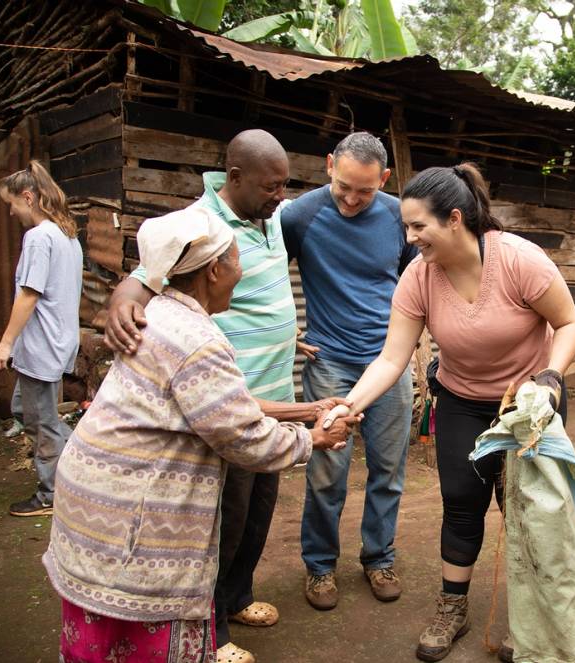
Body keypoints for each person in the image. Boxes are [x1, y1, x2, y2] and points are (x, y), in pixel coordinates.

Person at [44, 206, 359, 663]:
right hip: (131, 521)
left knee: (99, 642)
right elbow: (244, 437)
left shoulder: (159, 312)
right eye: (235, 261)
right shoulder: (198, 341)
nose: (241, 272)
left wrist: (308, 408)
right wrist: (315, 438)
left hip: (95, 505)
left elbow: (216, 407)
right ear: (214, 270)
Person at [320, 163, 575, 662]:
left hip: (529, 402)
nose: (410, 237)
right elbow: (392, 357)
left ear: (455, 219)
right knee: (461, 500)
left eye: (419, 226)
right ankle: (452, 607)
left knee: (527, 510)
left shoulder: (519, 260)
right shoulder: (419, 276)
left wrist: (551, 376)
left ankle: (537, 619)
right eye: (406, 227)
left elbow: (568, 322)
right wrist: (349, 406)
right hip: (462, 398)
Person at [104, 129, 338, 663]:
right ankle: (211, 634)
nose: (281, 195)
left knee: (257, 514)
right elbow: (146, 274)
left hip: (275, 392)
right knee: (222, 524)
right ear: (234, 178)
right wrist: (123, 296)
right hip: (225, 405)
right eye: (271, 185)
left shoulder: (268, 215)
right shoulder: (200, 225)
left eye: (284, 185)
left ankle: (238, 598)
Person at [280, 131, 417, 610]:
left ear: (384, 179)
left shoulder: (401, 216)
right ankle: (320, 568)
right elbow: (263, 272)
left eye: (366, 190)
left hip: (390, 364)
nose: (353, 199)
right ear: (328, 165)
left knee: (388, 468)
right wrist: (286, 332)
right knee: (326, 471)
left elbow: (417, 280)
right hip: (330, 365)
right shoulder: (298, 215)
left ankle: (379, 558)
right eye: (344, 186)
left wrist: (414, 341)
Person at [0, 161, 83, 518]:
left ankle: (52, 494)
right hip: (56, 341)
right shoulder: (66, 234)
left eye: (11, 204)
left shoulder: (39, 236)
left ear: (27, 197)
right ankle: (78, 456)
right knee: (25, 411)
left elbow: (29, 295)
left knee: (41, 423)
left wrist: (4, 344)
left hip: (43, 344)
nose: (11, 211)